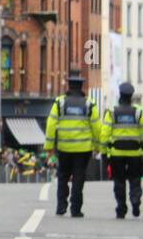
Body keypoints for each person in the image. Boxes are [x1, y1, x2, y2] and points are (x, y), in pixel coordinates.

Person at [45, 72, 100, 217]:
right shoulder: (89, 104)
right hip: (83, 149)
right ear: (81, 87)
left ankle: (61, 206)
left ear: (69, 86)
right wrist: (98, 146)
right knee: (78, 178)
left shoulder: (59, 102)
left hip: (64, 148)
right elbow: (96, 127)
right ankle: (75, 209)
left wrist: (49, 147)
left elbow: (50, 125)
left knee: (63, 176)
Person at [102, 82, 142, 219]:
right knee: (135, 180)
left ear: (120, 95)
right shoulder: (138, 112)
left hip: (116, 154)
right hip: (135, 153)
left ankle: (121, 208)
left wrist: (104, 152)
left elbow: (105, 134)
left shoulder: (112, 112)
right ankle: (135, 201)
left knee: (119, 181)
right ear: (131, 96)